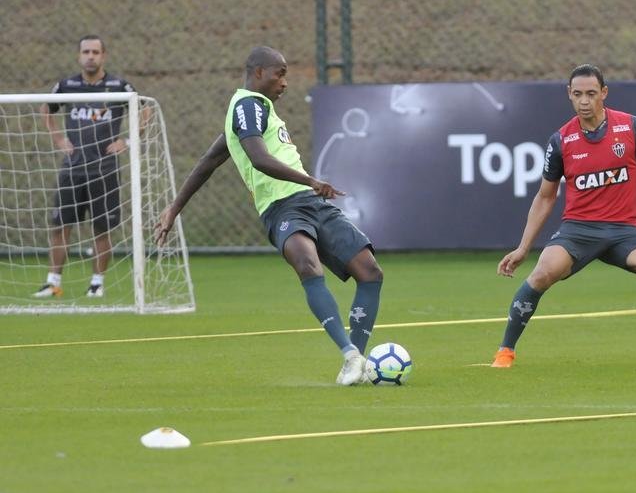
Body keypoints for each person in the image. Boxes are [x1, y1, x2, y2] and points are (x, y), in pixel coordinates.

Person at [153, 46, 383, 386]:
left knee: (370, 271)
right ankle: (349, 354)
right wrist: (311, 180)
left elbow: (208, 161)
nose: (285, 82)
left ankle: (358, 362)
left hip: (310, 201)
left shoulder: (257, 112)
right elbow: (259, 159)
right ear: (259, 72)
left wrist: (174, 209)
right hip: (282, 207)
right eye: (280, 74)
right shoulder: (246, 105)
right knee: (308, 264)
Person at [490, 63, 636, 368]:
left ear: (604, 93)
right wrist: (523, 248)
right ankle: (505, 351)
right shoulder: (560, 141)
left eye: (591, 93)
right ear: (569, 94)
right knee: (541, 274)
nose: (584, 101)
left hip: (625, 231)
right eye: (578, 94)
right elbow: (545, 196)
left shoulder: (631, 127)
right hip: (578, 231)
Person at [34, 35, 136, 299]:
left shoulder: (118, 86)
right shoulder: (67, 86)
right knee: (60, 225)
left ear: (104, 56)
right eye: (86, 51)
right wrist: (58, 138)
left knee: (101, 228)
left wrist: (127, 140)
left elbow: (144, 110)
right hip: (73, 168)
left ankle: (96, 284)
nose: (90, 56)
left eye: (95, 52)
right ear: (79, 56)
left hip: (105, 170)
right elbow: (46, 109)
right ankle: (53, 283)